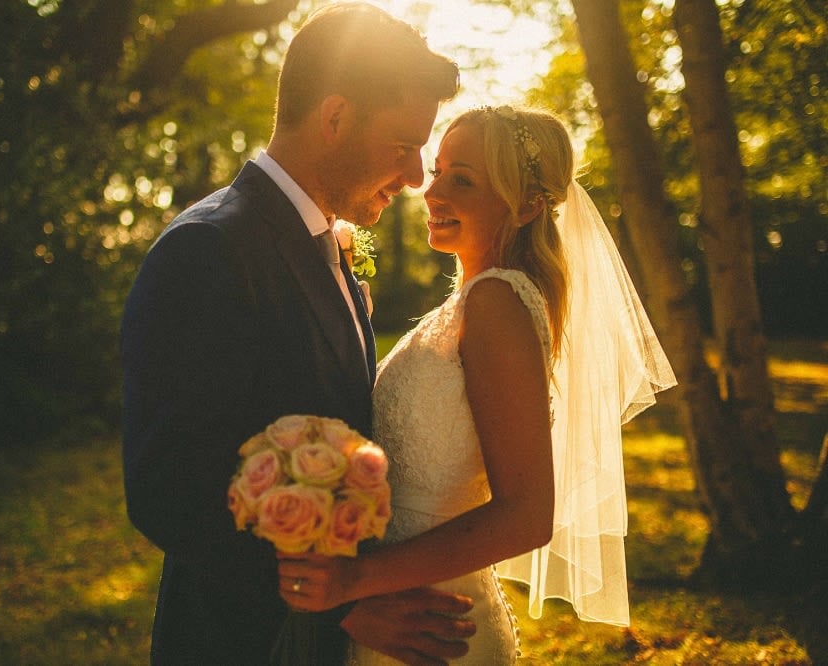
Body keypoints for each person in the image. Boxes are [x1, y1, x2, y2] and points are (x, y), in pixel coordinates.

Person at [121, 3, 472, 664]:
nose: (418, 176)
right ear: (335, 118)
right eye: (404, 146)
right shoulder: (208, 251)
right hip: (240, 640)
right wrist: (344, 606)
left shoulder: (332, 244)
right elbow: (166, 490)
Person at [276, 105, 677, 664]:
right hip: (401, 607)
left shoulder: (497, 304)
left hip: (434, 622)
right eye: (438, 171)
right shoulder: (471, 301)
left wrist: (354, 580)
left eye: (462, 180)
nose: (432, 191)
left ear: (528, 205)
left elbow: (527, 515)